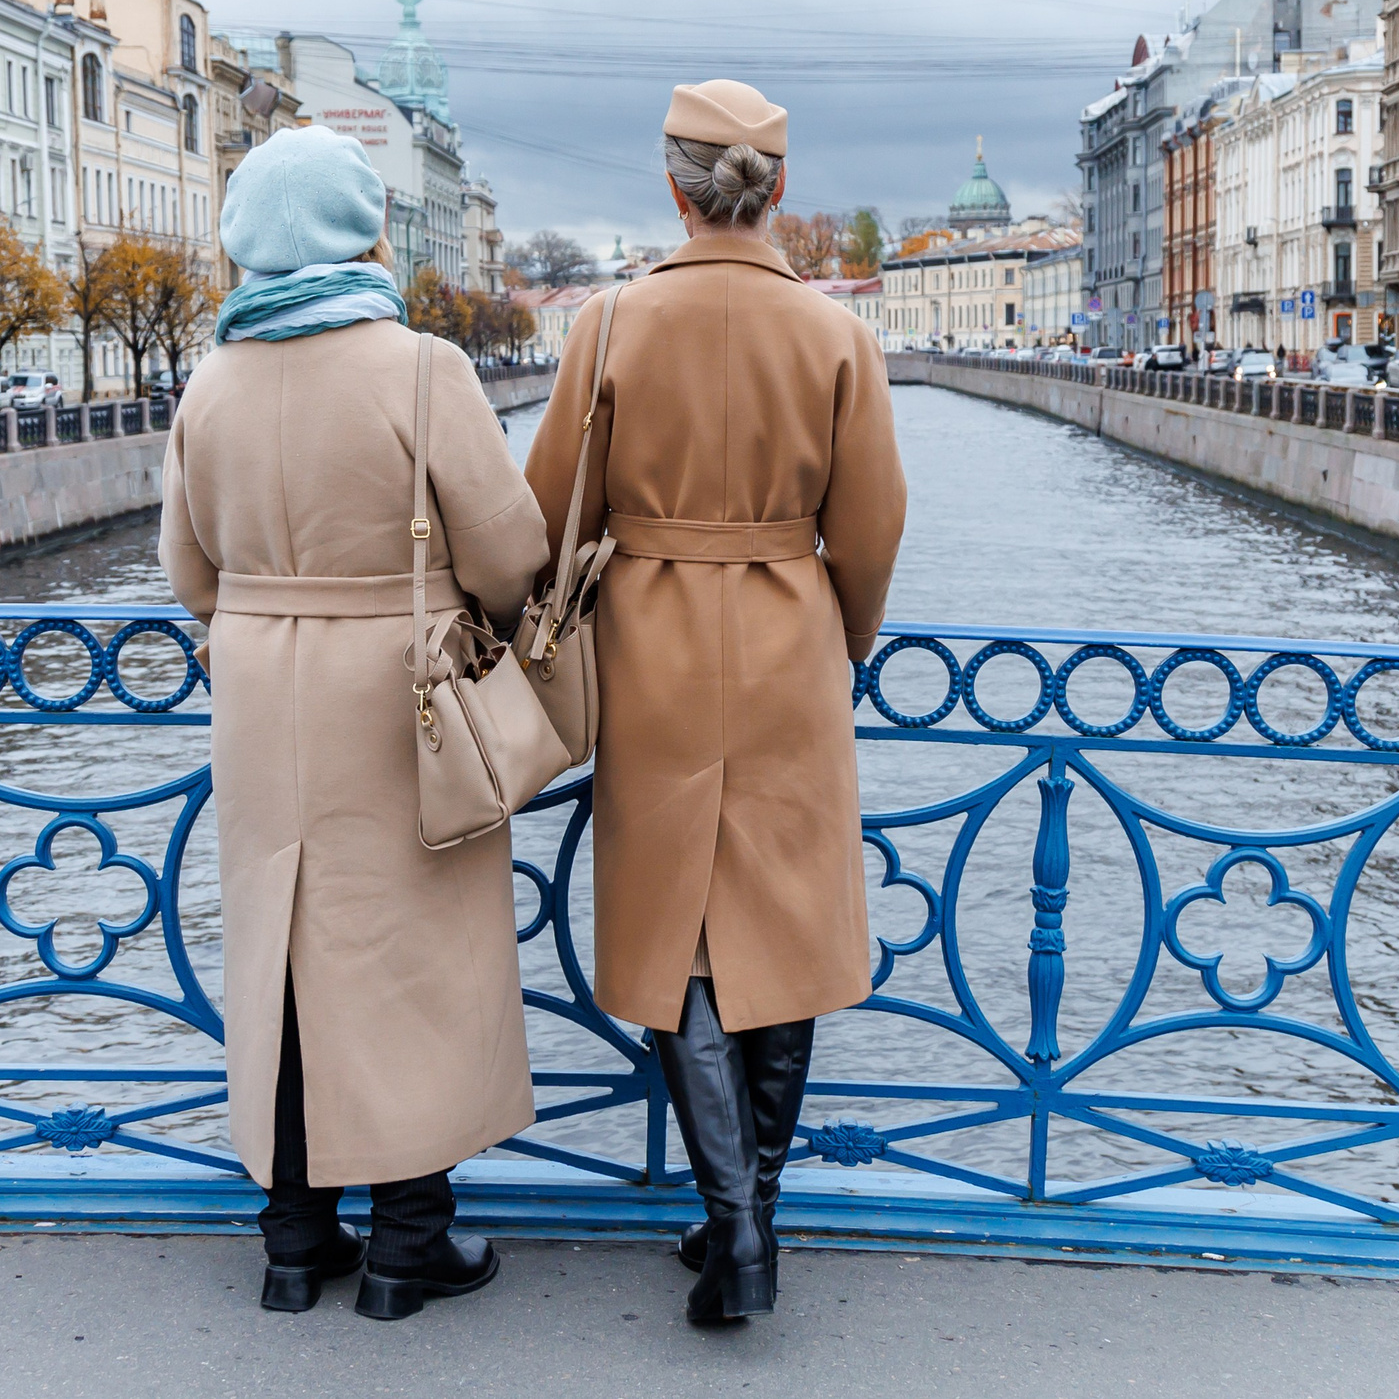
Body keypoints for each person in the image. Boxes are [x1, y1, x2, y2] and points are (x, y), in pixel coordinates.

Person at [524, 80, 907, 1325]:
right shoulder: (837, 335)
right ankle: (754, 1212)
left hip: (652, 650)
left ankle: (734, 1222)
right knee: (783, 927)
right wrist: (838, 637)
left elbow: (549, 509)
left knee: (676, 933)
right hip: (791, 639)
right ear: (777, 187)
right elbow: (872, 526)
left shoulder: (611, 321)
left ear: (673, 187)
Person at [160, 126, 549, 1321]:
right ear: (363, 226)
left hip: (258, 694)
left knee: (280, 958)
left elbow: (187, 569)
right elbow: (509, 554)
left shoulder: (211, 379)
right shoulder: (420, 368)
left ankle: (293, 1241)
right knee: (403, 963)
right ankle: (407, 1244)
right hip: (398, 695)